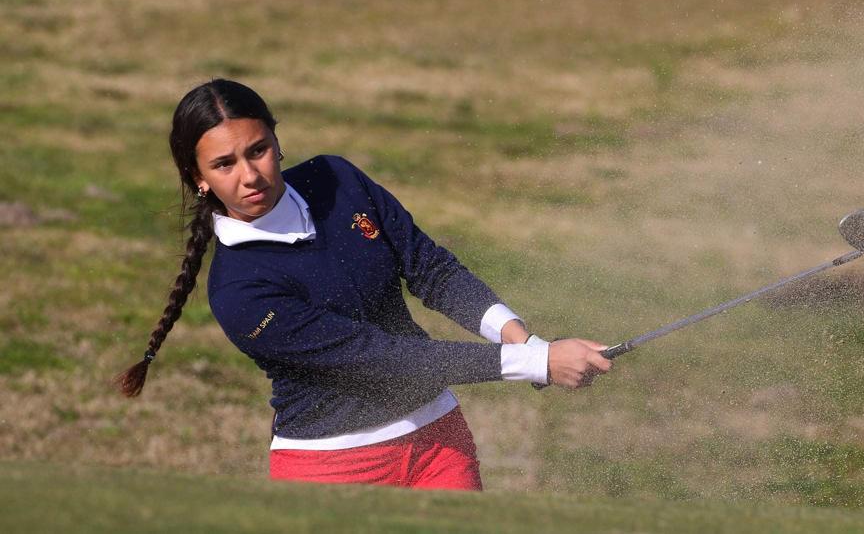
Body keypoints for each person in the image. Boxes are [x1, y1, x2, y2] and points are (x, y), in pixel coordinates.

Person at [115, 78, 613, 490]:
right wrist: (537, 363)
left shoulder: (336, 179)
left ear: (276, 140)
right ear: (197, 176)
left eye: (259, 150)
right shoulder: (240, 293)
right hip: (333, 472)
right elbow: (384, 358)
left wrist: (517, 335)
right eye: (224, 164)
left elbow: (429, 269)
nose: (250, 175)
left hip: (439, 442)